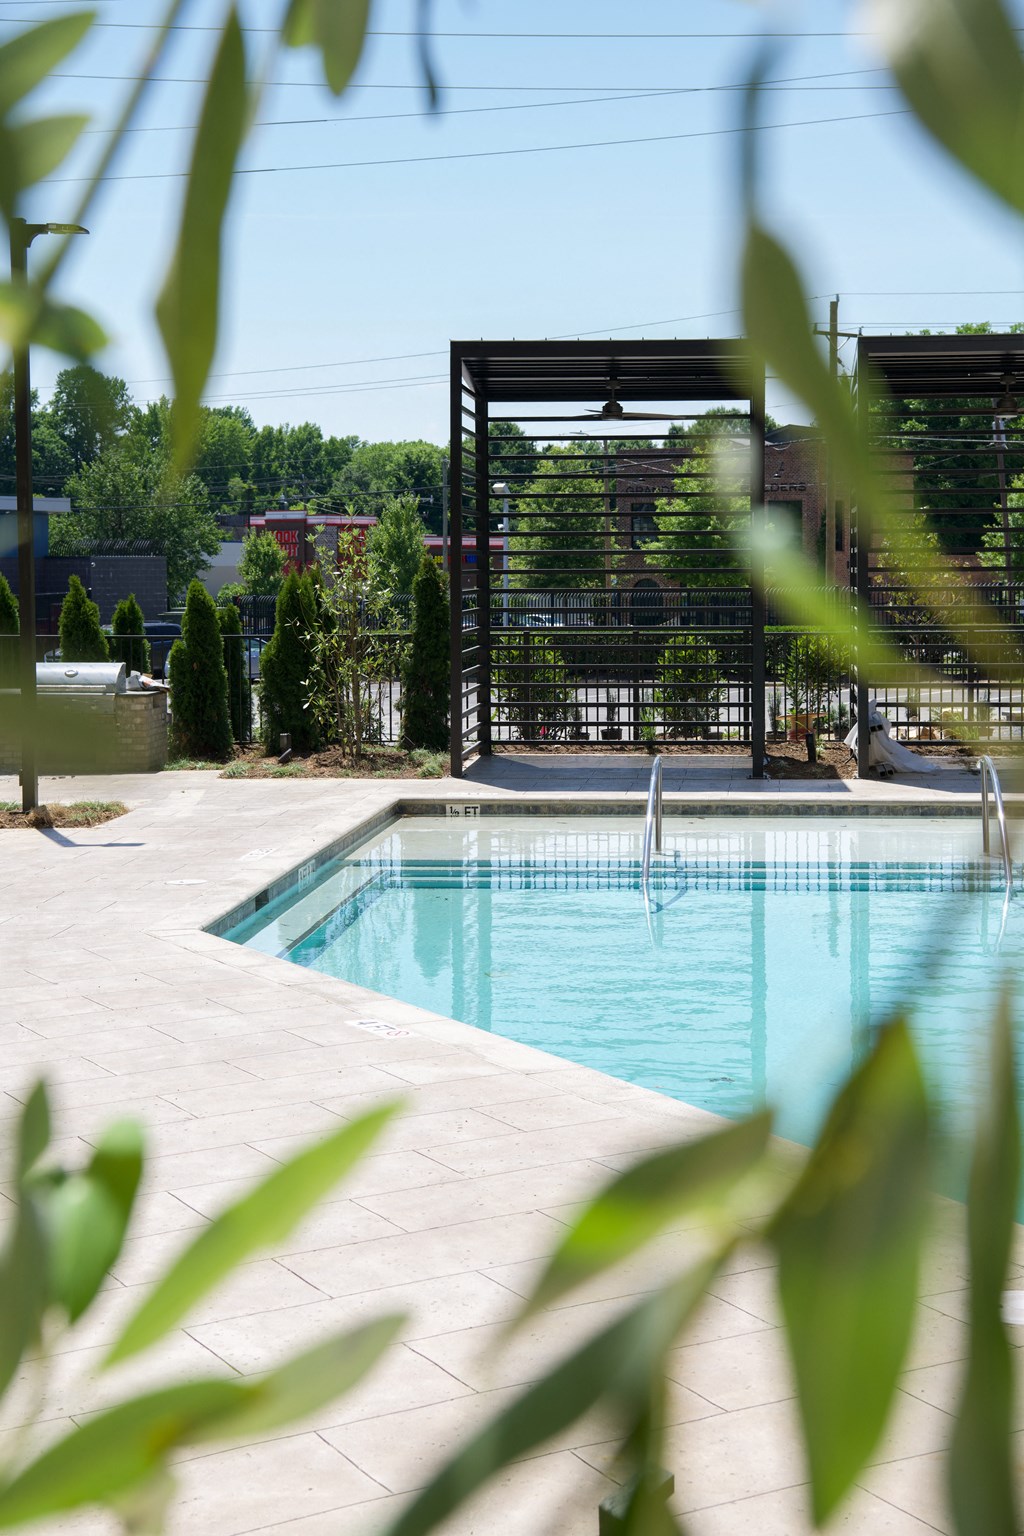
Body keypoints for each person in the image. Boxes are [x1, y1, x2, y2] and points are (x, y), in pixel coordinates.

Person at [844, 700, 941, 776]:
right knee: (902, 757)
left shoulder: (874, 717)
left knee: (903, 759)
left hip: (871, 743)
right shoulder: (876, 716)